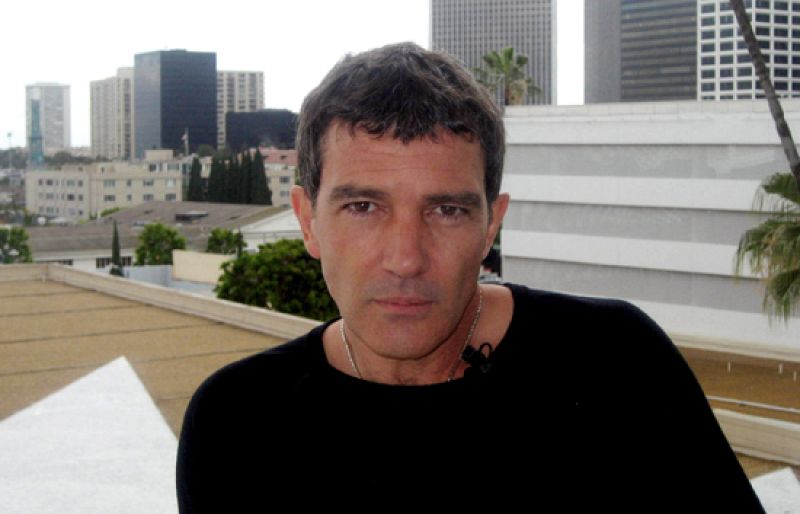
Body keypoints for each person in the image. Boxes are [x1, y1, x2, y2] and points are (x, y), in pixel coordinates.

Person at [176, 42, 765, 512]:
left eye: (446, 210)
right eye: (364, 207)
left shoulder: (617, 363)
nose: (406, 259)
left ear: (490, 227)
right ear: (308, 221)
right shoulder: (236, 423)